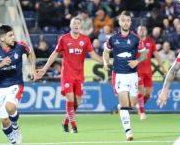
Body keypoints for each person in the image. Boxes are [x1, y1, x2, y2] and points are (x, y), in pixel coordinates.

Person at [35, 17, 103, 133]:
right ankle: (74, 126)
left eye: (78, 23)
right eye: (74, 23)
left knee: (77, 102)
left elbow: (92, 54)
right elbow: (54, 54)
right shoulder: (64, 39)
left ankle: (65, 122)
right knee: (70, 99)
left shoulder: (85, 40)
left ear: (81, 26)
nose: (76, 25)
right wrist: (45, 68)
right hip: (67, 74)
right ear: (70, 26)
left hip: (79, 75)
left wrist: (104, 62)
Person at [0, 24, 36, 145]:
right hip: (0, 86)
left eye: (13, 34)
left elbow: (30, 53)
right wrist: (1, 64)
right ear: (2, 38)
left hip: (16, 84)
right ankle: (12, 138)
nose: (14, 37)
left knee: (10, 107)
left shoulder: (20, 46)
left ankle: (16, 127)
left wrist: (32, 68)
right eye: (10, 35)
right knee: (4, 120)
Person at [102, 11, 147, 141]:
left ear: (130, 22)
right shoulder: (113, 39)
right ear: (119, 22)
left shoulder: (136, 38)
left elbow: (144, 54)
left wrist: (137, 61)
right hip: (119, 75)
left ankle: (122, 108)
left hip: (133, 75)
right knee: (124, 104)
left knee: (131, 104)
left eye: (128, 20)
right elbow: (106, 52)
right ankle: (128, 132)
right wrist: (105, 62)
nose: (126, 22)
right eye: (123, 20)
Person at [136, 25, 167, 120]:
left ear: (146, 31)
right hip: (138, 71)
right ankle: (142, 112)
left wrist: (163, 69)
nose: (142, 31)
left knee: (148, 94)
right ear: (137, 31)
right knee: (141, 91)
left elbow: (157, 56)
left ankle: (138, 105)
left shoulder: (150, 42)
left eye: (143, 29)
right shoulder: (135, 41)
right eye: (140, 29)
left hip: (148, 71)